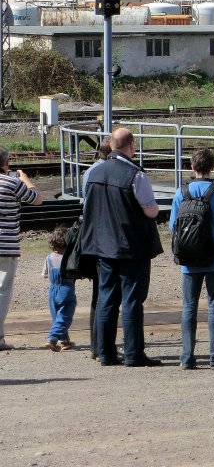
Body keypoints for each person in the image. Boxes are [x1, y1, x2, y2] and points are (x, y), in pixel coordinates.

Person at [79, 128, 163, 367]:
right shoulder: (135, 175)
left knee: (106, 298)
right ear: (131, 146)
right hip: (131, 247)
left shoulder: (93, 173)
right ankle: (133, 353)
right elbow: (150, 209)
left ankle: (105, 353)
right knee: (132, 299)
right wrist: (154, 210)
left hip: (102, 246)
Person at [169, 147, 214, 370]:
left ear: (192, 167)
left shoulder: (182, 193)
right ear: (212, 167)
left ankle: (187, 358)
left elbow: (173, 226)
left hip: (188, 262)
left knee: (189, 307)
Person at [0, 147, 43, 350]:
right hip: (5, 249)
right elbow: (37, 199)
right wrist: (25, 179)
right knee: (1, 291)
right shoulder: (12, 183)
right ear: (5, 163)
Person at [79, 140, 110, 360]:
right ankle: (102, 346)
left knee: (96, 294)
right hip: (103, 237)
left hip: (90, 237)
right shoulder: (104, 172)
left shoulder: (88, 172)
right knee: (105, 294)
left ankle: (95, 345)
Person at [42, 225, 77, 351]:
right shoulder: (68, 258)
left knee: (58, 317)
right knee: (65, 316)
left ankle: (65, 341)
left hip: (52, 291)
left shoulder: (49, 257)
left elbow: (45, 275)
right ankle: (52, 338)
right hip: (66, 290)